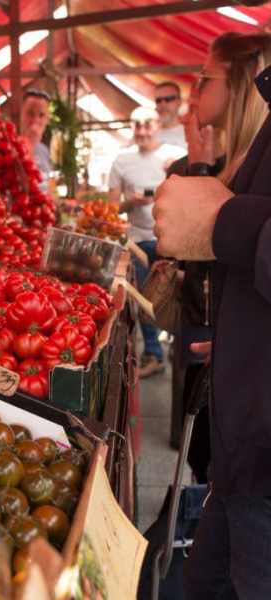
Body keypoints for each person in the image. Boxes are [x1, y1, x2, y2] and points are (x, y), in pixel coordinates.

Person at [154, 31, 271, 599]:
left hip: (261, 458)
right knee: (206, 581)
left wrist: (224, 224)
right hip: (246, 447)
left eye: (205, 78)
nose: (193, 90)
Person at [108, 107, 184, 377]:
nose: (141, 130)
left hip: (171, 240)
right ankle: (153, 353)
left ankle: (178, 347)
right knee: (143, 301)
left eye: (147, 124)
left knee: (172, 297)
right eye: (137, 125)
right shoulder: (121, 159)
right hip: (137, 240)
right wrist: (133, 201)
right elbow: (112, 206)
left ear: (158, 125)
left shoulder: (173, 156)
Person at [21, 89, 52, 182]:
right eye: (30, 113)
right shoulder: (13, 147)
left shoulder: (44, 150)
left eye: (41, 115)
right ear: (22, 115)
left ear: (47, 119)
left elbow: (49, 185)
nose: (35, 120)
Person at [154, 80, 187, 149]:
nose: (163, 104)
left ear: (180, 102)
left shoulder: (190, 135)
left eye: (169, 99)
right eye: (158, 100)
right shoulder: (146, 134)